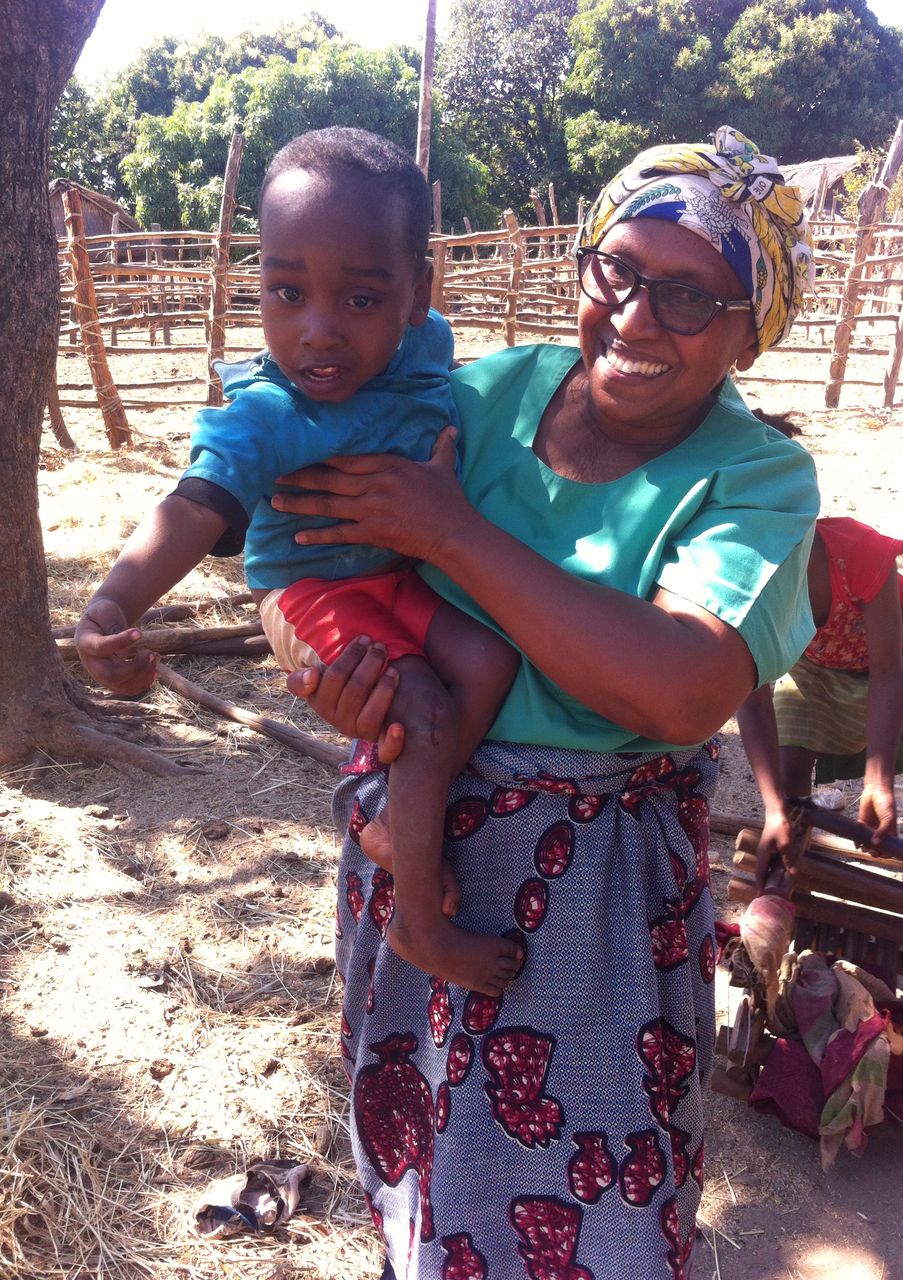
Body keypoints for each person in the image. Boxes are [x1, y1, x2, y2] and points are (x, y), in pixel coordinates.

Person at [273, 125, 819, 1279]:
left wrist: (451, 533)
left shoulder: (755, 477)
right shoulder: (479, 396)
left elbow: (679, 686)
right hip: (418, 852)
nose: (632, 317)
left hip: (596, 902)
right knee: (423, 1164)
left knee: (598, 1205)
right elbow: (307, 541)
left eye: (687, 297)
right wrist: (328, 670)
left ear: (747, 331)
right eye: (616, 270)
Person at [73, 127, 522, 998]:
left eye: (360, 299)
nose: (318, 331)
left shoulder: (428, 351)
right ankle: (420, 921)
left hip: (401, 576)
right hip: (312, 590)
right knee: (420, 706)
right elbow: (194, 506)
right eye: (287, 292)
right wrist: (114, 603)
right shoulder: (267, 414)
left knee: (491, 659)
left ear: (417, 295)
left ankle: (395, 816)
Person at [738, 514, 903, 879]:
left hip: (900, 654)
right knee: (789, 773)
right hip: (816, 663)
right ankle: (794, 875)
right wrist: (774, 808)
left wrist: (878, 782)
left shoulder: (862, 552)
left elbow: (887, 674)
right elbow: (752, 695)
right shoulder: (745, 587)